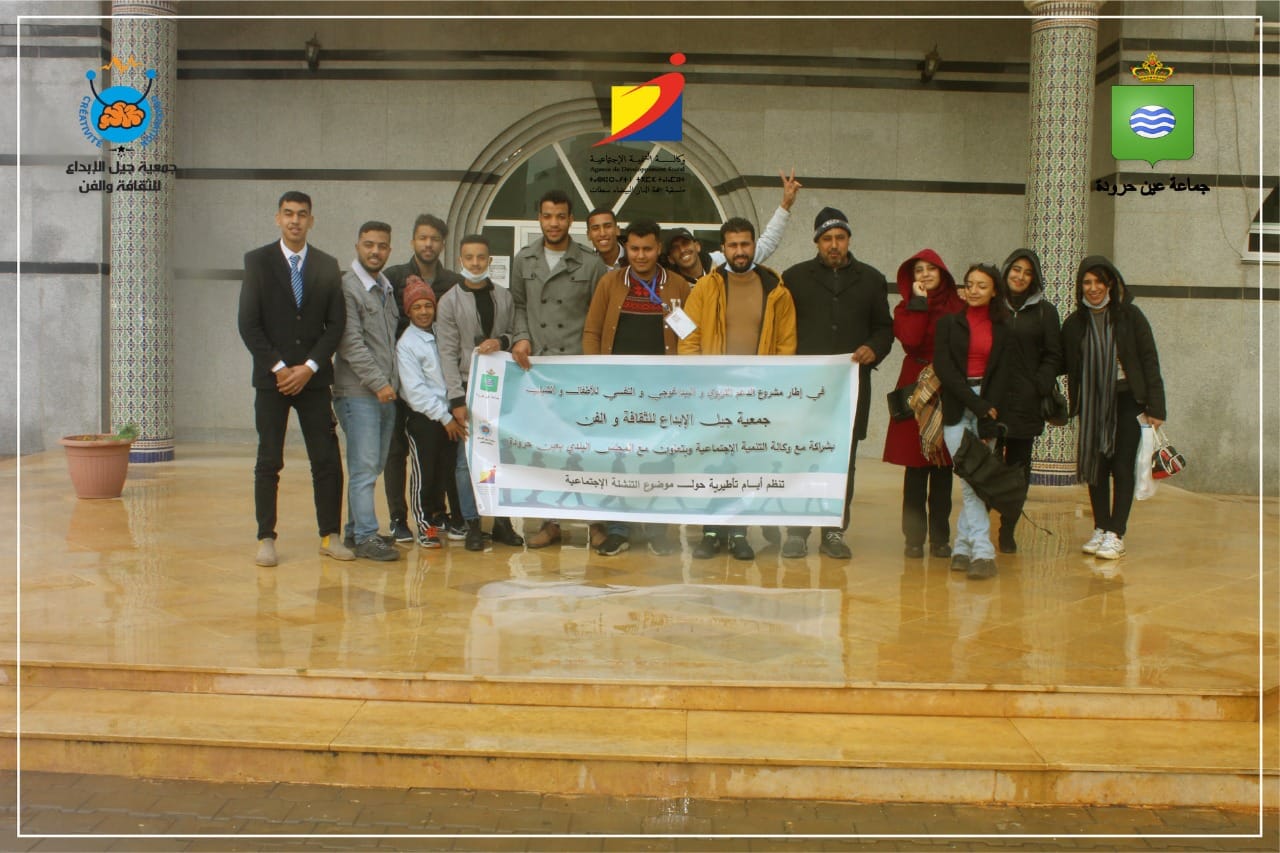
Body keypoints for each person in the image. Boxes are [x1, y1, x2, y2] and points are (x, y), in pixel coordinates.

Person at [237, 191, 354, 567]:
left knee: (326, 460)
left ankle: (330, 535)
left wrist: (309, 367)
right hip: (272, 380)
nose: (295, 221)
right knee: (269, 459)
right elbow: (248, 324)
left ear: (311, 221)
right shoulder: (258, 262)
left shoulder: (326, 265)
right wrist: (279, 368)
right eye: (288, 214)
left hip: (313, 380)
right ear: (278, 218)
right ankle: (266, 537)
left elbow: (335, 324)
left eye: (302, 214)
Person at [679, 217, 797, 561]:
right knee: (713, 463)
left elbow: (786, 344)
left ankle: (739, 533)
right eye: (733, 245)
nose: (740, 251)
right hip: (713, 395)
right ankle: (711, 533)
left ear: (754, 245)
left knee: (745, 464)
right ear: (723, 248)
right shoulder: (706, 288)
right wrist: (700, 383)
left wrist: (770, 388)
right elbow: (689, 338)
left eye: (745, 244)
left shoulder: (776, 290)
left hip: (756, 396)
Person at [781, 206, 893, 559]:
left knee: (842, 461)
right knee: (801, 458)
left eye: (840, 238)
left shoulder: (871, 279)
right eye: (827, 238)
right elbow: (781, 328)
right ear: (816, 242)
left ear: (849, 239)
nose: (834, 245)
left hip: (850, 389)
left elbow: (884, 329)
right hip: (804, 392)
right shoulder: (794, 278)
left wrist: (874, 348)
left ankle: (833, 530)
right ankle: (797, 530)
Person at [582, 218, 692, 556]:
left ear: (659, 249)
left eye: (647, 249)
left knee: (660, 458)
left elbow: (690, 335)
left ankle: (658, 529)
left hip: (663, 394)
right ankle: (619, 528)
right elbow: (592, 332)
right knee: (619, 459)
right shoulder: (610, 283)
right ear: (625, 248)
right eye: (634, 249)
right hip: (618, 394)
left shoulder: (678, 286)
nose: (641, 255)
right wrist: (597, 378)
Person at [509, 189, 609, 548]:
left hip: (577, 368)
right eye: (548, 216)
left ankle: (595, 521)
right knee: (546, 448)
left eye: (561, 216)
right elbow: (518, 306)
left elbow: (598, 315)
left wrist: (594, 363)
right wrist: (521, 337)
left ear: (571, 220)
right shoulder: (523, 260)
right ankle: (550, 522)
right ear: (539, 217)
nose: (554, 223)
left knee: (586, 447)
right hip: (539, 367)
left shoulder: (590, 263)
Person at [1061, 256, 1166, 561]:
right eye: (1087, 282)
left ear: (1110, 284)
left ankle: (1116, 532)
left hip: (1127, 400)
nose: (1093, 288)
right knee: (1096, 468)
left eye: (1099, 281)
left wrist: (1156, 406)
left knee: (1121, 466)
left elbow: (1149, 360)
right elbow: (1061, 361)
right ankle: (1101, 527)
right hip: (1092, 403)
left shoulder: (1130, 316)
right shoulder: (1075, 323)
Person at [435, 234, 525, 551]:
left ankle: (501, 522)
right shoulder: (449, 301)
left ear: (490, 260)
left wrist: (501, 341)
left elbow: (513, 332)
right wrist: (456, 399)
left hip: (500, 388)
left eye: (481, 257)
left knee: (500, 457)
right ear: (461, 260)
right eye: (469, 258)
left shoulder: (504, 296)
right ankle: (473, 523)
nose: (475, 263)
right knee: (466, 462)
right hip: (467, 388)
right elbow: (446, 353)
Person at [383, 214, 465, 544]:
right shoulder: (394, 277)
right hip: (403, 388)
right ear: (412, 241)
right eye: (422, 237)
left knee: (439, 461)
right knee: (399, 455)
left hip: (440, 397)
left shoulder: (453, 282)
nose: (428, 244)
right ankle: (400, 519)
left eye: (434, 238)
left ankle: (436, 513)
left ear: (443, 243)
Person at [883, 249, 965, 559]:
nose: (926, 274)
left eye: (932, 268)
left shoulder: (958, 306)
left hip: (947, 385)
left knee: (942, 467)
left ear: (943, 272)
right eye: (919, 270)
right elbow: (912, 340)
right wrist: (919, 303)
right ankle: (914, 538)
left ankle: (940, 539)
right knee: (916, 468)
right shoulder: (905, 307)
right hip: (915, 386)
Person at [933, 263, 1011, 580]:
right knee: (970, 481)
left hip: (988, 407)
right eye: (970, 284)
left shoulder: (1004, 327)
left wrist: (988, 412)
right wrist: (976, 405)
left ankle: (963, 549)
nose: (974, 290)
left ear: (994, 291)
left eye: (982, 285)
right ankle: (983, 552)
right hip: (958, 405)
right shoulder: (949, 324)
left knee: (977, 481)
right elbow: (945, 369)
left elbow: (1004, 374)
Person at [333, 221, 402, 562]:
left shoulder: (385, 287)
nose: (375, 251)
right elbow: (351, 344)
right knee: (363, 467)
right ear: (358, 246)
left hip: (385, 394)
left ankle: (354, 530)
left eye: (382, 245)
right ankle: (365, 536)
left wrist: (391, 386)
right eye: (369, 244)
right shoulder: (349, 288)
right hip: (359, 393)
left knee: (371, 466)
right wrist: (380, 383)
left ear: (389, 249)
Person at [994, 248, 1063, 553]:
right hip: (992, 400)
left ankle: (1007, 529)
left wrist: (1041, 383)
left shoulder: (1045, 312)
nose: (1020, 277)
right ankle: (979, 527)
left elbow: (1054, 354)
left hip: (1026, 402)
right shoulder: (993, 305)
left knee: (1019, 471)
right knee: (986, 465)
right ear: (1006, 271)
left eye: (1027, 272)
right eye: (1016, 270)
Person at [395, 277, 467, 549]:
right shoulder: (407, 344)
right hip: (425, 418)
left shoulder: (442, 332)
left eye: (428, 306)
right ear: (408, 311)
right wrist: (444, 417)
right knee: (424, 473)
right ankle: (426, 526)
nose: (424, 312)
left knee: (448, 470)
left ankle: (446, 517)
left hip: (450, 414)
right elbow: (415, 392)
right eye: (417, 307)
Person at [663, 169, 803, 284]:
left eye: (686, 243)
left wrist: (785, 205)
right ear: (670, 258)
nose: (682, 250)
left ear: (697, 246)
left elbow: (766, 244)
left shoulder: (722, 262)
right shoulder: (671, 285)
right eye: (675, 248)